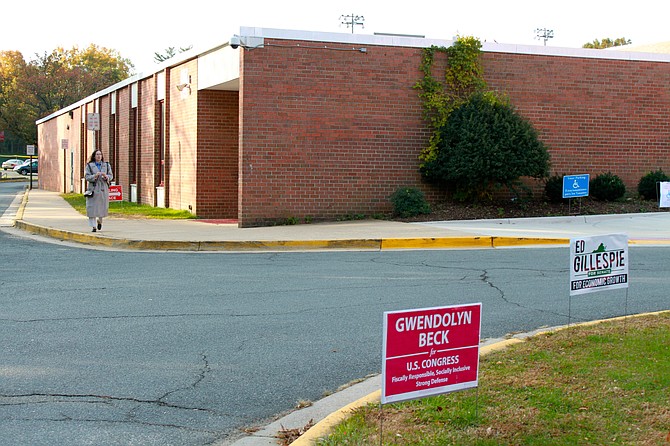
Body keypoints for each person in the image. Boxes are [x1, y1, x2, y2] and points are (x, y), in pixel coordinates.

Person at [84, 150, 114, 232]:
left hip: (103, 189)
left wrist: (106, 176)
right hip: (93, 189)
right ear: (94, 156)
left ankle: (99, 221)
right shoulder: (89, 166)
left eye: (100, 154)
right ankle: (93, 226)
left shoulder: (106, 165)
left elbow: (111, 176)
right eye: (97, 154)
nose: (99, 156)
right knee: (92, 208)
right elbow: (87, 177)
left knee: (101, 207)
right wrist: (94, 176)